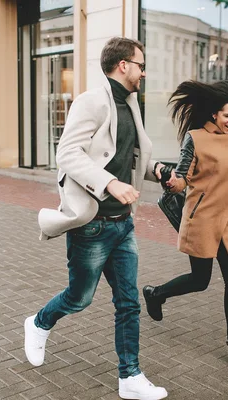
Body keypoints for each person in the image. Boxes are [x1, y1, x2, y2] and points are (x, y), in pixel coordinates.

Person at [25, 37, 168, 400]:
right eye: (140, 64)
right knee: (79, 297)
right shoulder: (92, 101)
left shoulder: (131, 105)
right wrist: (110, 183)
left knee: (129, 302)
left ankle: (129, 377)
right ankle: (39, 322)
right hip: (92, 224)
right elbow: (67, 153)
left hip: (123, 223)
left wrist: (162, 172)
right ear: (123, 65)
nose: (143, 72)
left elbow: (127, 156)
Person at [142, 80, 228, 364]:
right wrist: (169, 180)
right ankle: (155, 294)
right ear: (214, 113)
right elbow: (183, 179)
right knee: (200, 280)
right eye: (227, 115)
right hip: (203, 220)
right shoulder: (195, 138)